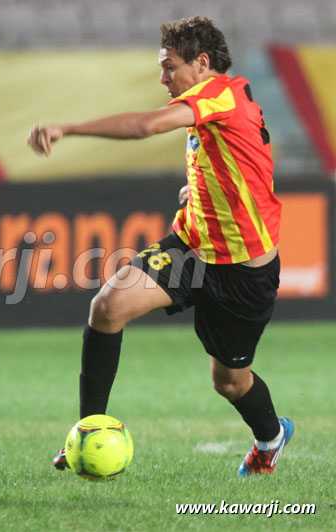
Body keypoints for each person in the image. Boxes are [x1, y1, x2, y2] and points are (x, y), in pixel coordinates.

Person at [27, 16, 292, 477]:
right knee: (107, 306)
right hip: (192, 249)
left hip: (243, 272)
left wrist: (68, 128)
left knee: (229, 383)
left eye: (169, 67)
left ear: (202, 63)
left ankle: (271, 437)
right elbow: (244, 159)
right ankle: (89, 430)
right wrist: (203, 192)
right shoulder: (221, 101)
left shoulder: (216, 95)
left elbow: (146, 127)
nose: (163, 77)